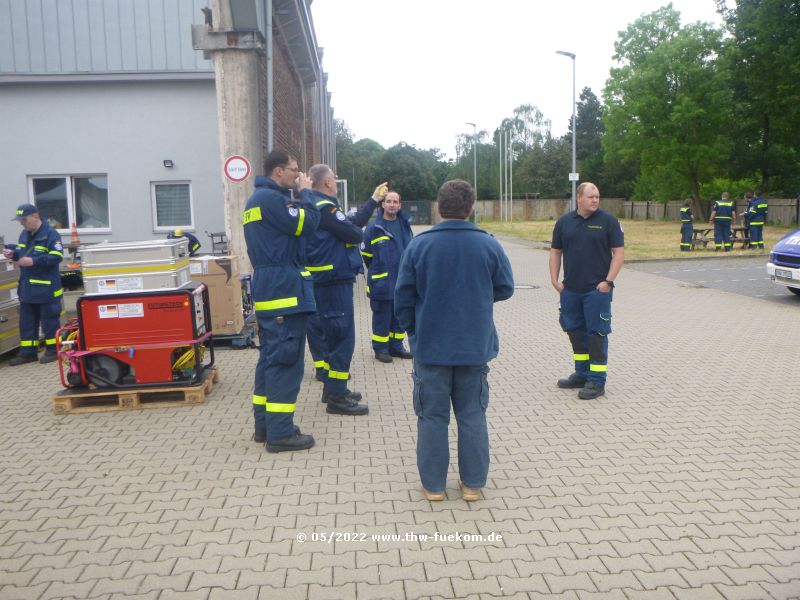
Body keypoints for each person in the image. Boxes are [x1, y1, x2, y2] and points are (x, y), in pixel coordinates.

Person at [395, 179, 514, 502]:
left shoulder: (419, 245)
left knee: (432, 417)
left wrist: (414, 331)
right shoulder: (488, 244)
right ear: (471, 208)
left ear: (438, 207)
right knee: (472, 415)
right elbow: (505, 287)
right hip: (474, 348)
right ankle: (472, 485)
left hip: (431, 348)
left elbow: (402, 297)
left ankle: (434, 487)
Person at [244, 150, 321, 453]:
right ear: (278, 171)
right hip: (283, 292)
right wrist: (307, 193)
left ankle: (265, 426)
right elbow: (308, 224)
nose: (297, 174)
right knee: (285, 363)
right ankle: (280, 433)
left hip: (270, 287)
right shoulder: (270, 200)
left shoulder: (258, 201)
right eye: (293, 170)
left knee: (270, 360)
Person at [304, 164, 381, 415]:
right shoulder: (325, 208)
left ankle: (333, 387)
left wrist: (373, 201)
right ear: (326, 182)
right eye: (334, 179)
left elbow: (352, 223)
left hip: (328, 280)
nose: (336, 183)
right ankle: (337, 396)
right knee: (341, 337)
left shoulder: (321, 208)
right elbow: (355, 233)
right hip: (332, 281)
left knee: (333, 334)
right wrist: (353, 230)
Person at [549, 182, 624, 400]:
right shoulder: (564, 223)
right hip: (571, 290)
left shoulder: (608, 222)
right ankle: (581, 374)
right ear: (579, 198)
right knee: (575, 332)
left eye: (597, 197)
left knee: (597, 334)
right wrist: (555, 281)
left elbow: (618, 254)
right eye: (591, 197)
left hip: (596, 291)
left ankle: (597, 381)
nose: (595, 200)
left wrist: (608, 282)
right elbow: (555, 252)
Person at [3, 204, 64, 365]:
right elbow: (23, 254)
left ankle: (53, 350)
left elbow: (57, 256)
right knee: (27, 322)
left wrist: (34, 261)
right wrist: (13, 253)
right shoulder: (24, 234)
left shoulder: (51, 234)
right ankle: (28, 353)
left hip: (46, 289)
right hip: (28, 289)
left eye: (24, 220)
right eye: (20, 221)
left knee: (49, 321)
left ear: (35, 217)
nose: (22, 223)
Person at [362, 190, 414, 362]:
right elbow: (367, 255)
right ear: (383, 205)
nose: (392, 205)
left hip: (402, 280)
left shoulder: (404, 225)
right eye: (389, 201)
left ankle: (396, 346)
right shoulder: (374, 227)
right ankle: (381, 349)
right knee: (382, 318)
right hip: (382, 282)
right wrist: (380, 270)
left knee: (399, 316)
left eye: (395, 202)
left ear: (400, 205)